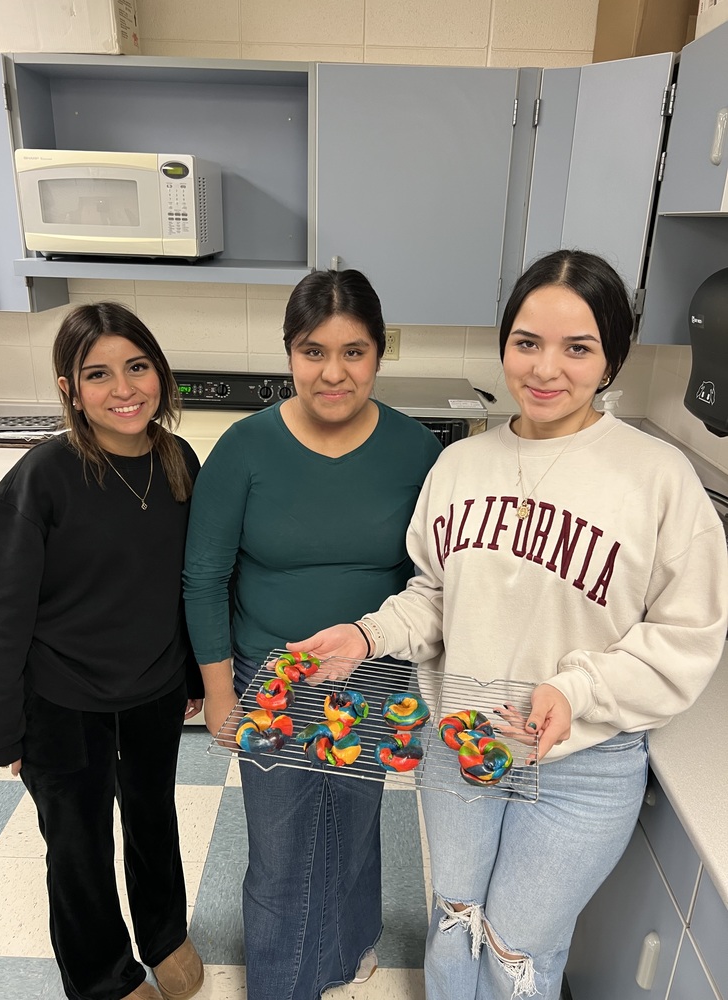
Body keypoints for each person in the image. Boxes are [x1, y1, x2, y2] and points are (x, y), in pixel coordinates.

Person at [288, 250, 728, 1000]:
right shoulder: (461, 466)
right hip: (457, 746)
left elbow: (687, 637)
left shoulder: (659, 479)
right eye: (527, 342)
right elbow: (436, 595)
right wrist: (367, 636)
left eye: (577, 347)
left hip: (582, 767)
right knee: (455, 917)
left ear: (611, 356)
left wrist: (575, 688)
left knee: (517, 945)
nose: (546, 368)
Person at [182, 268, 442, 1000]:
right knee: (282, 849)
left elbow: (434, 580)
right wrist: (221, 695)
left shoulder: (417, 451)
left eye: (354, 352)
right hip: (272, 677)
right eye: (313, 350)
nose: (333, 373)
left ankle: (349, 943)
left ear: (379, 354)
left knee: (354, 827)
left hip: (374, 674)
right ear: (289, 353)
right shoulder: (244, 449)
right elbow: (203, 577)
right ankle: (281, 982)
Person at [0, 303, 206, 1000]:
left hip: (153, 687)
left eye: (137, 366)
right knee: (76, 846)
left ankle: (164, 934)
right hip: (60, 697)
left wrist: (195, 671)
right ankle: (103, 974)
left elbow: (189, 581)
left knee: (152, 817)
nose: (124, 388)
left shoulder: (178, 461)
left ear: (160, 374)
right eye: (98, 373)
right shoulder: (43, 476)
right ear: (68, 389)